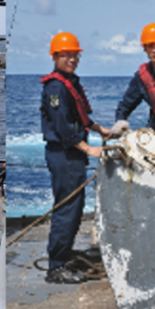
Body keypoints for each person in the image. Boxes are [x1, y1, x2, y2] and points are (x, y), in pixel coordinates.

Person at [40, 32, 110, 284]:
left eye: (74, 54)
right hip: (64, 154)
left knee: (74, 208)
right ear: (55, 57)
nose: (71, 58)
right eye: (65, 54)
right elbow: (62, 126)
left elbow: (78, 116)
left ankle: (64, 254)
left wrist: (99, 129)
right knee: (67, 209)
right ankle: (56, 266)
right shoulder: (56, 87)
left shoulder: (69, 82)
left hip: (70, 155)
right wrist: (87, 148)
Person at [112, 23, 155, 139]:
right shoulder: (141, 77)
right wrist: (120, 121)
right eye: (151, 46)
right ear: (145, 48)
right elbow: (126, 105)